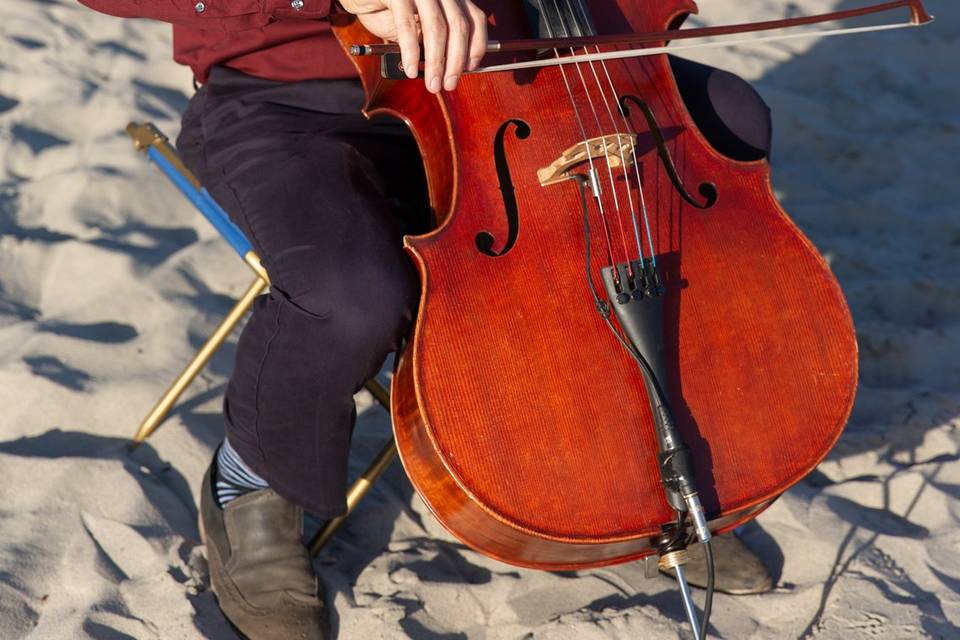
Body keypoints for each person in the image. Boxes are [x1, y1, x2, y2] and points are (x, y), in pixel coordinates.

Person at [81, 1, 774, 637]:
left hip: (523, 60)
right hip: (296, 101)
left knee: (729, 120)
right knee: (351, 294)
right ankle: (253, 475)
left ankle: (643, 455)